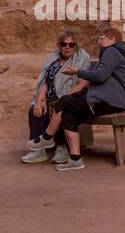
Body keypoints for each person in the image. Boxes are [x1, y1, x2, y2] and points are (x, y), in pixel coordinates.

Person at [42, 25, 125, 171]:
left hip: (108, 101)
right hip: (106, 99)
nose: (99, 41)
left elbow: (100, 76)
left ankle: (45, 139)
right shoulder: (114, 52)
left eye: (102, 38)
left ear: (112, 39)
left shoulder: (112, 51)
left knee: (64, 101)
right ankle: (76, 160)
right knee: (69, 117)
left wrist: (78, 72)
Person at [22, 30, 91, 166]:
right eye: (64, 44)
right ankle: (39, 151)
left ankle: (62, 147)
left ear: (75, 46)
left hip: (70, 97)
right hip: (49, 98)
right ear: (59, 45)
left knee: (61, 109)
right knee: (34, 110)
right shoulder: (53, 58)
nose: (67, 47)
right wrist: (39, 101)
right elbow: (45, 82)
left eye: (71, 44)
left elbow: (83, 84)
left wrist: (62, 100)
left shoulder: (81, 58)